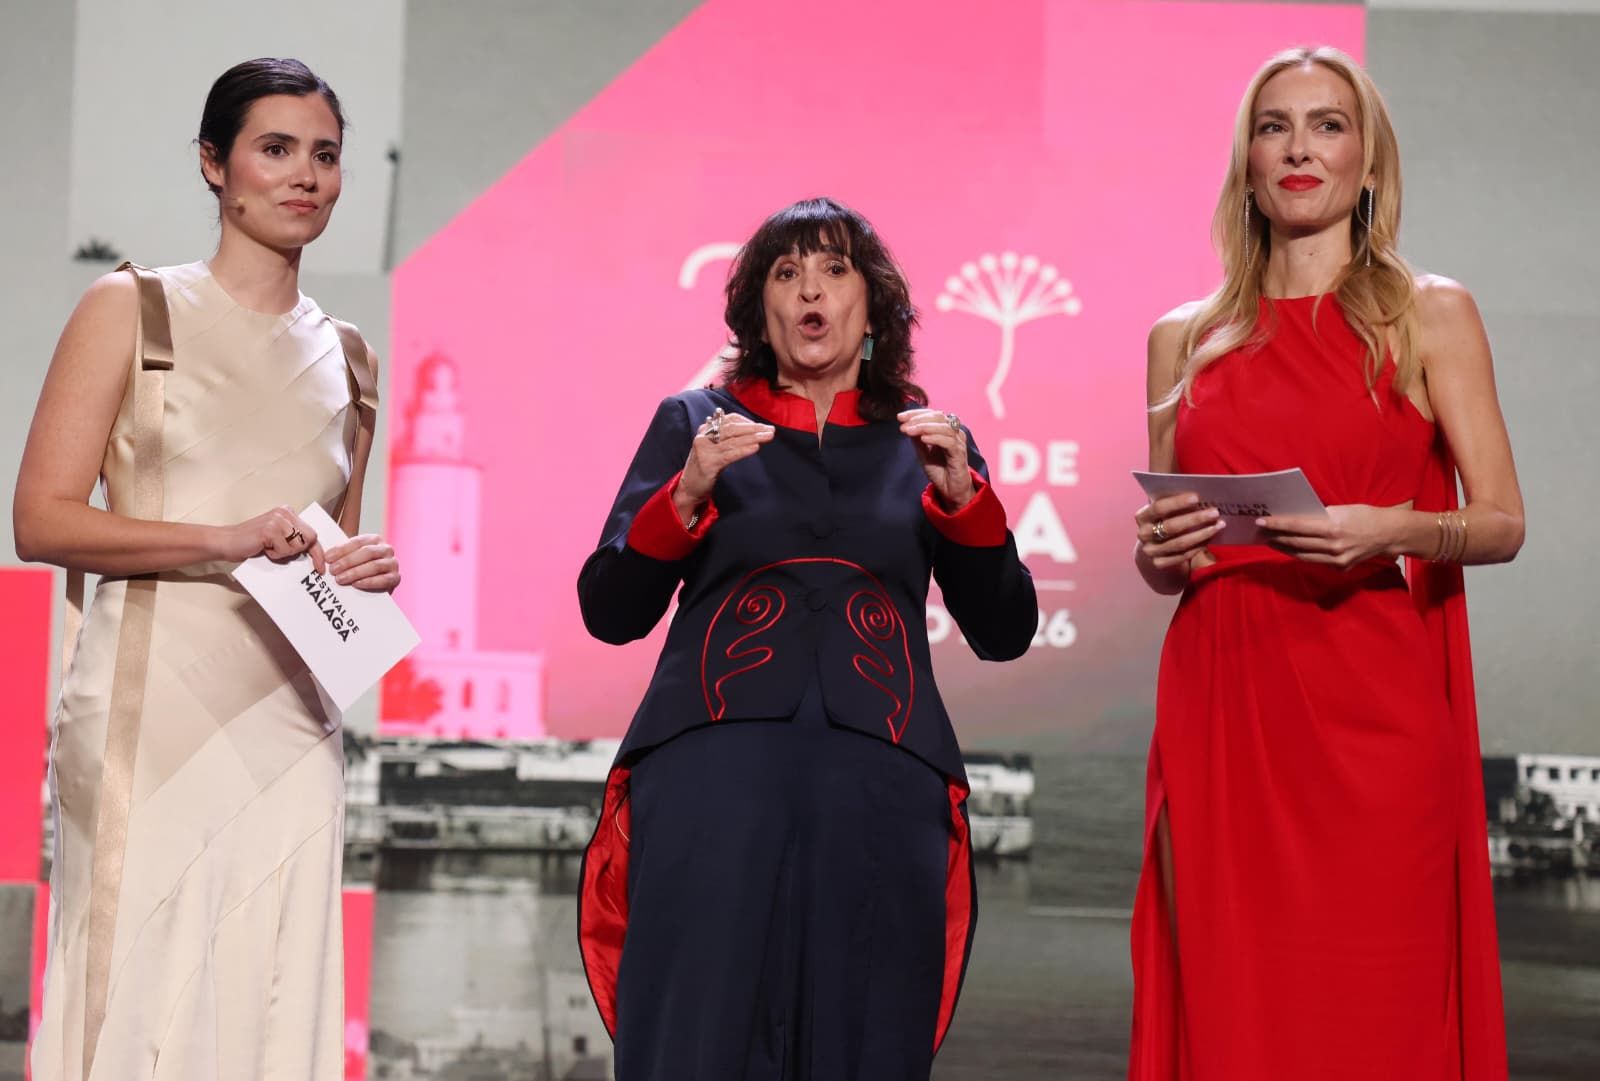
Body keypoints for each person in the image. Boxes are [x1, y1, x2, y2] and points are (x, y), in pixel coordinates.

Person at [1127, 46, 1523, 1081]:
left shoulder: (1430, 311)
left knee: (1374, 1005)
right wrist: (1160, 549)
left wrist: (1387, 528)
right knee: (1232, 1006)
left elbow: (1499, 521)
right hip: (1223, 703)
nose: (1298, 147)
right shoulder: (1184, 337)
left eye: (1326, 124)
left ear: (1368, 164)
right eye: (1274, 127)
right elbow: (1172, 552)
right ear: (1248, 166)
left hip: (1372, 706)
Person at [575, 196, 1037, 1080]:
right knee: (697, 1035)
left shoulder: (928, 440)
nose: (809, 292)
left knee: (864, 1036)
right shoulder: (696, 422)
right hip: (713, 780)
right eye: (786, 275)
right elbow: (610, 608)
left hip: (880, 786)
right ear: (759, 310)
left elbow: (1006, 628)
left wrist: (965, 500)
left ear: (874, 306)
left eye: (833, 269)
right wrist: (685, 496)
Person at [14, 58, 400, 1081]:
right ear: (213, 165)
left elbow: (320, 551)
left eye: (325, 155)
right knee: (135, 988)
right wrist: (219, 539)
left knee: (273, 994)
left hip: (290, 721)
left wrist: (359, 572)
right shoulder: (132, 308)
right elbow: (41, 520)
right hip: (151, 710)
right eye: (275, 149)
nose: (305, 175)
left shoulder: (354, 361)